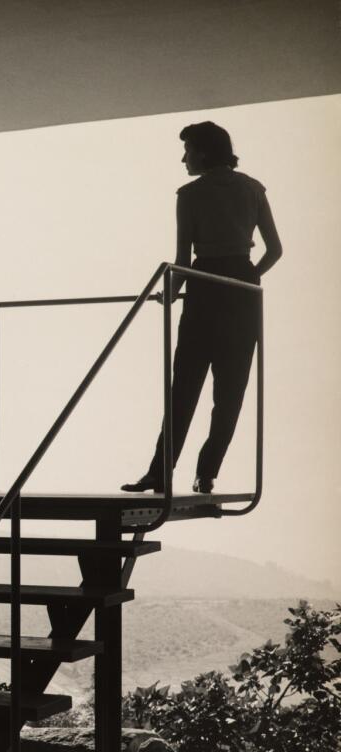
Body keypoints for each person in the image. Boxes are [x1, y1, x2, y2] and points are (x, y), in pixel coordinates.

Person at [122, 121, 281, 494]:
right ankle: (206, 474)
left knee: (185, 387)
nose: (183, 159)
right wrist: (246, 279)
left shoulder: (189, 194)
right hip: (242, 287)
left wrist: (170, 294)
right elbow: (275, 250)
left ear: (204, 152)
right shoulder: (253, 189)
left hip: (204, 284)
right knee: (230, 390)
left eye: (188, 150)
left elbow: (181, 260)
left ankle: (159, 473)